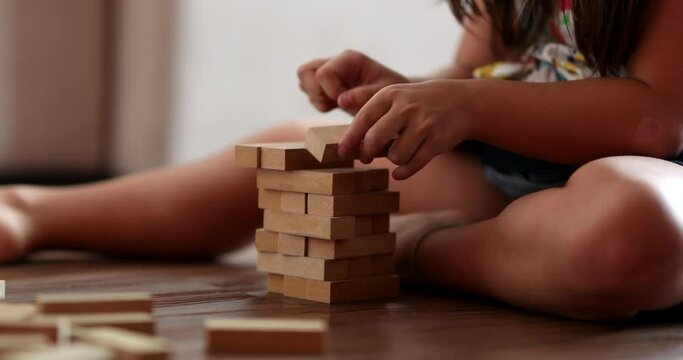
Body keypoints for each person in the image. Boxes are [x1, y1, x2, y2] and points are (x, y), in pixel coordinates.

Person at [1, 0, 682, 320]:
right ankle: (35, 210)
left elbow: (654, 123)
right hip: (508, 183)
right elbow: (475, 79)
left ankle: (414, 251)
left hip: (637, 187)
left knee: (629, 227)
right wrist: (402, 93)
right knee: (297, 152)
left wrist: (467, 106)